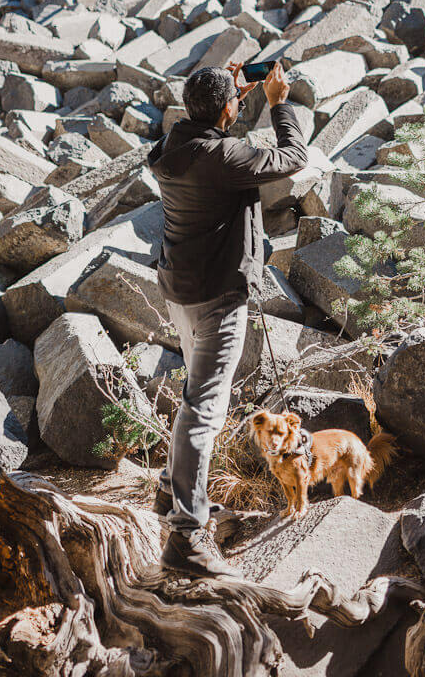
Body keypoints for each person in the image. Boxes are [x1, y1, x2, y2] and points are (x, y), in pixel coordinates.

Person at [147, 59, 308, 577]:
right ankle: (186, 538)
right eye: (233, 106)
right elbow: (292, 157)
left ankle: (173, 496)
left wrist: (231, 99)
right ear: (226, 111)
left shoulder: (173, 146)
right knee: (204, 412)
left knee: (195, 395)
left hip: (180, 289)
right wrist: (278, 103)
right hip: (217, 296)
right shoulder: (222, 154)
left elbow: (212, 137)